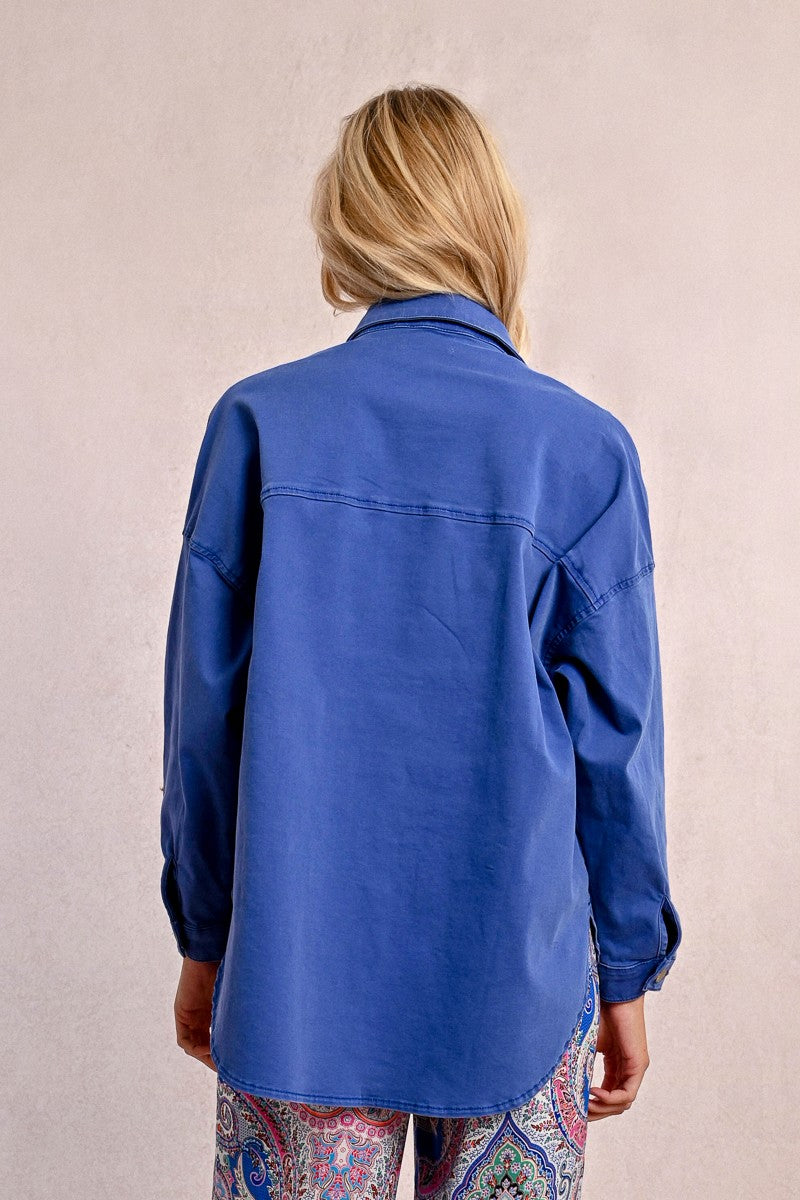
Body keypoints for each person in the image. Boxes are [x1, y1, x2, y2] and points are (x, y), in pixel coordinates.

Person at [159, 84, 683, 1199]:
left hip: (297, 983)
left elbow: (202, 726)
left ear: (349, 220)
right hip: (516, 989)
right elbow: (619, 750)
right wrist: (628, 970)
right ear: (491, 221)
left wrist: (205, 937)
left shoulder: (259, 425)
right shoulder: (581, 451)